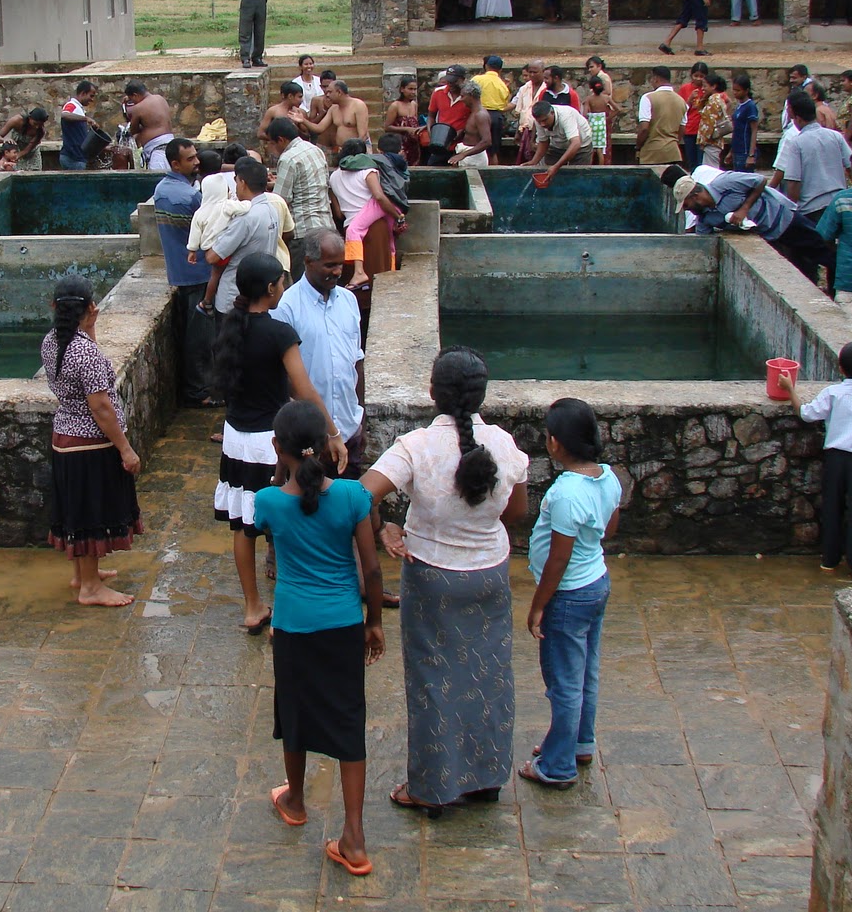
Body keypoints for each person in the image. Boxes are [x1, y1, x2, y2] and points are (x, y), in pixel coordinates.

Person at [363, 346, 529, 813]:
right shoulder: (504, 445)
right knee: (489, 676)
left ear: (432, 392)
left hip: (432, 577)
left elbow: (360, 497)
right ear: (481, 394)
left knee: (433, 679)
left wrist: (385, 527)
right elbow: (516, 512)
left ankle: (431, 787)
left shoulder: (415, 447)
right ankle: (486, 778)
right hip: (490, 576)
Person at [255, 399, 383, 879]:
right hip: (344, 623)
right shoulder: (353, 496)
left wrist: (279, 470)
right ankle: (354, 836)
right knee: (349, 719)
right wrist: (374, 622)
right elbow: (370, 568)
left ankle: (296, 798)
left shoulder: (269, 502)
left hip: (293, 626)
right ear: (328, 447)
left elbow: (275, 511)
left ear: (278, 449)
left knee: (294, 710)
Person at [211, 253, 346, 632]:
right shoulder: (278, 333)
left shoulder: (229, 328)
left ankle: (252, 606)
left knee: (244, 526)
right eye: (281, 282)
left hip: (236, 438)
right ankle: (290, 605)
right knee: (285, 521)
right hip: (270, 442)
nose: (284, 287)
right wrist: (331, 433)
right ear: (270, 289)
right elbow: (303, 389)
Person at [519, 398, 620, 789]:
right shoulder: (608, 477)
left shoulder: (565, 495)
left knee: (563, 683)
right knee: (585, 674)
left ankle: (557, 766)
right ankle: (579, 742)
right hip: (596, 583)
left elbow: (557, 561)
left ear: (556, 443)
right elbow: (609, 527)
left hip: (569, 596)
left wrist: (538, 606)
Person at [41, 275, 143, 607]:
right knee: (90, 513)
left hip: (65, 436)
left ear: (54, 308)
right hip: (89, 443)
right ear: (90, 308)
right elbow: (100, 407)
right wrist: (125, 449)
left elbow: (86, 364)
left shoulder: (51, 341)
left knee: (77, 510)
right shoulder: (85, 352)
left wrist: (91, 328)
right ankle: (90, 588)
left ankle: (83, 575)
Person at [777, 343, 852, 582]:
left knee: (832, 508)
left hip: (836, 459)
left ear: (840, 368)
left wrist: (790, 389)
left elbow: (807, 413)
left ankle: (829, 559)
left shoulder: (833, 393)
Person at [272, 230, 365, 477]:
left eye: (340, 265)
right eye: (329, 265)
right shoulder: (286, 307)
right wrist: (321, 429)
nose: (337, 272)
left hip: (349, 427)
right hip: (310, 436)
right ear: (307, 262)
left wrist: (360, 417)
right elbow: (285, 378)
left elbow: (356, 361)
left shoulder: (349, 301)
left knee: (349, 505)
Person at [676, 172, 832, 285]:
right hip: (770, 236)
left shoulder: (726, 183)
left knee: (822, 250)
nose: (687, 210)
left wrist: (744, 208)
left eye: (686, 205)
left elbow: (760, 180)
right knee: (798, 267)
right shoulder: (705, 217)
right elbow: (704, 242)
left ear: (695, 196)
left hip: (785, 221)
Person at [152, 139, 216, 406]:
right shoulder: (190, 197)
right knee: (199, 338)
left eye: (196, 157)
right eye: (190, 159)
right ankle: (197, 392)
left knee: (192, 335)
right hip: (197, 274)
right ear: (175, 164)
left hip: (180, 273)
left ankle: (195, 389)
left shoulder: (162, 190)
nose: (196, 162)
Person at [770, 91, 852, 290]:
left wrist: (792, 208)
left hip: (812, 207)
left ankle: (811, 288)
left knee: (806, 253)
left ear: (797, 118)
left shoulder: (797, 143)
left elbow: (794, 182)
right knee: (834, 250)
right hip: (836, 202)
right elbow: (851, 166)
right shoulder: (835, 137)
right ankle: (835, 289)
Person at [205, 158, 284, 316]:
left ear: (242, 183)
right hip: (259, 294)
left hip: (233, 296)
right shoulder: (271, 209)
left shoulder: (245, 217)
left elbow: (213, 257)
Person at [329, 140, 405, 289]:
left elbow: (338, 213)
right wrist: (398, 217)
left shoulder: (333, 177)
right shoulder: (367, 171)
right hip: (376, 229)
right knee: (380, 278)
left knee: (357, 288)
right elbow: (379, 197)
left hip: (351, 233)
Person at [266, 117, 332, 278]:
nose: (271, 147)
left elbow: (280, 200)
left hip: (303, 230)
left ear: (281, 140)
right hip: (325, 225)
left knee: (304, 283)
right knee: (325, 279)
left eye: (271, 143)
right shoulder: (315, 150)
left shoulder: (288, 158)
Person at [635, 67, 687, 165]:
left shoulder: (648, 98)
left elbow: (644, 129)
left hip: (651, 153)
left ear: (656, 79)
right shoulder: (681, 101)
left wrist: (638, 146)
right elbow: (682, 129)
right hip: (673, 153)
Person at [530, 100, 590, 180]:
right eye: (539, 122)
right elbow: (544, 141)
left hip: (581, 145)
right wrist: (534, 162)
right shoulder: (539, 121)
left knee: (578, 177)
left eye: (545, 120)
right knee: (548, 174)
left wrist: (556, 166)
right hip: (557, 145)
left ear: (552, 112)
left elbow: (576, 143)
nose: (542, 124)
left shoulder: (566, 115)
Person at [123, 82, 175, 171]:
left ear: (135, 95)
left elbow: (133, 130)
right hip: (170, 142)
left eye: (132, 99)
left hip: (157, 150)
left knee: (156, 179)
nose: (133, 102)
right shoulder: (160, 98)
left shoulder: (139, 108)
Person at [424, 66, 469, 165]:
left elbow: (473, 117)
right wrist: (431, 133)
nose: (450, 84)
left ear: (463, 80)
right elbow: (431, 116)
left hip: (462, 145)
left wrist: (461, 131)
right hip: (441, 142)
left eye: (454, 81)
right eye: (448, 81)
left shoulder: (468, 96)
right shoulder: (438, 93)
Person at [449, 83, 494, 169]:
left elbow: (487, 141)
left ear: (471, 96)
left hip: (475, 159)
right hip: (469, 156)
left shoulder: (480, 115)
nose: (461, 100)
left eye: (463, 96)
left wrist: (463, 154)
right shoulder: (473, 113)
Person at [60, 81, 100, 171]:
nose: (92, 99)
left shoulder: (79, 109)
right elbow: (64, 115)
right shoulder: (71, 105)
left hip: (78, 157)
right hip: (74, 158)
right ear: (83, 93)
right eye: (91, 96)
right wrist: (86, 119)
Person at [383, 77, 423, 166]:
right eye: (410, 89)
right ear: (402, 89)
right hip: (400, 145)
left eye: (415, 89)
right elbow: (387, 127)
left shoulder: (414, 105)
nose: (413, 92)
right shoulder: (395, 106)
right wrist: (406, 129)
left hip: (413, 144)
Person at [477, 56, 511, 155]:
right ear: (500, 69)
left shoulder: (477, 79)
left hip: (480, 115)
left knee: (476, 147)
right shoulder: (502, 85)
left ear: (486, 66)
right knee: (493, 151)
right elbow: (504, 104)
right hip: (496, 117)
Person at [696, 75, 732, 169]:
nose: (703, 89)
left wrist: (703, 141)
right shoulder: (714, 99)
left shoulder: (714, 100)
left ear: (713, 86)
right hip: (713, 142)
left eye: (705, 86)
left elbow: (710, 123)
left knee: (710, 171)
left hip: (711, 142)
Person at [0, 107, 49, 172]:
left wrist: (17, 156)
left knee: (34, 174)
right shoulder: (16, 121)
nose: (37, 127)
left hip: (31, 154)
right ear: (30, 118)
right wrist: (4, 140)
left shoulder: (40, 132)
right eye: (35, 123)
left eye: (40, 125)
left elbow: (27, 150)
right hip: (15, 151)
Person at [729, 73, 761, 171]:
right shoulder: (739, 105)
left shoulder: (750, 106)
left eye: (738, 90)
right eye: (734, 90)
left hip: (745, 151)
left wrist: (751, 155)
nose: (735, 93)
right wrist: (731, 151)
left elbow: (754, 130)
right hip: (737, 150)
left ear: (746, 90)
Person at [583, 78, 614, 165]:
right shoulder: (606, 98)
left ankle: (590, 166)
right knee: (600, 149)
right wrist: (608, 118)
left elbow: (584, 114)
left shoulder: (589, 99)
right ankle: (601, 168)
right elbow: (618, 109)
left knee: (591, 148)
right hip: (602, 123)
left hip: (592, 123)